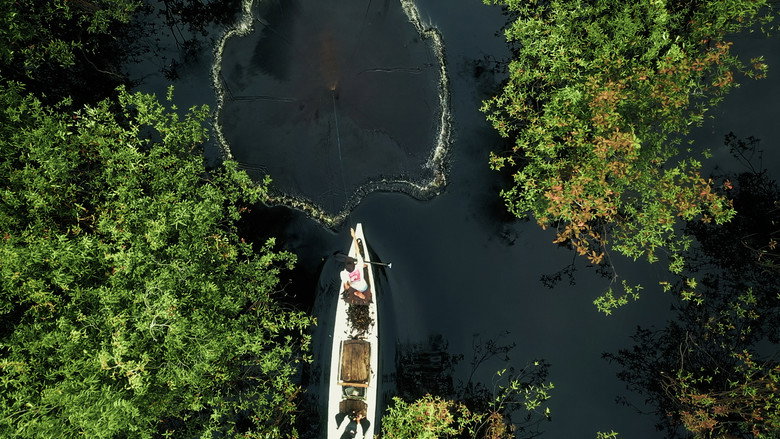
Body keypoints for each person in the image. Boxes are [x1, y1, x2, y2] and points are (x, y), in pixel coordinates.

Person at [340, 228, 369, 300]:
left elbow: (346, 286)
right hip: (364, 287)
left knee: (349, 284)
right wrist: (354, 236)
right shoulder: (358, 265)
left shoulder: (343, 273)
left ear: (346, 268)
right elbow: (357, 250)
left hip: (360, 287)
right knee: (364, 265)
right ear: (353, 264)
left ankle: (358, 293)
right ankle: (358, 293)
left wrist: (347, 285)